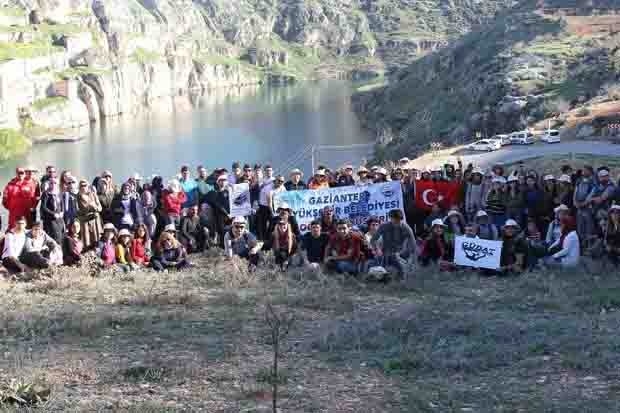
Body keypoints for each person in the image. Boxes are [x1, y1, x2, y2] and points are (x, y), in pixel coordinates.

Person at [370, 209, 416, 277]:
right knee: (379, 272)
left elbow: (413, 245)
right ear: (390, 218)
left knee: (403, 270)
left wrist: (405, 254)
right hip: (384, 254)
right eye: (395, 220)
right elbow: (373, 240)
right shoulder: (384, 226)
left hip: (400, 254)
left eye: (399, 220)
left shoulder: (406, 228)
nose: (398, 222)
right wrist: (377, 249)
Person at [77, 179, 103, 250]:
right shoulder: (78, 196)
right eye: (81, 185)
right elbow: (81, 210)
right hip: (85, 221)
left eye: (85, 185)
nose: (83, 187)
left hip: (95, 221)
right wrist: (91, 206)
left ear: (88, 186)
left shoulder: (93, 194)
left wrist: (95, 207)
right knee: (86, 242)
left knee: (96, 241)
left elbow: (100, 208)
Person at [207, 174, 231, 247]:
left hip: (229, 216)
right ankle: (222, 248)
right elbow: (218, 205)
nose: (223, 182)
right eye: (221, 181)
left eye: (224, 181)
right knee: (221, 232)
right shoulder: (214, 193)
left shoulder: (229, 192)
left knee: (229, 232)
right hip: (219, 216)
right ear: (218, 182)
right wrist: (227, 214)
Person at [39, 178, 65, 245]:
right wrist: (53, 214)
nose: (53, 185)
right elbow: (44, 207)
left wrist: (62, 212)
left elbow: (62, 204)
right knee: (54, 236)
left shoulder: (59, 193)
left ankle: (60, 252)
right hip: (51, 220)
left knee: (61, 236)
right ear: (49, 184)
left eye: (55, 183)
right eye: (51, 183)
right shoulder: (46, 194)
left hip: (59, 219)